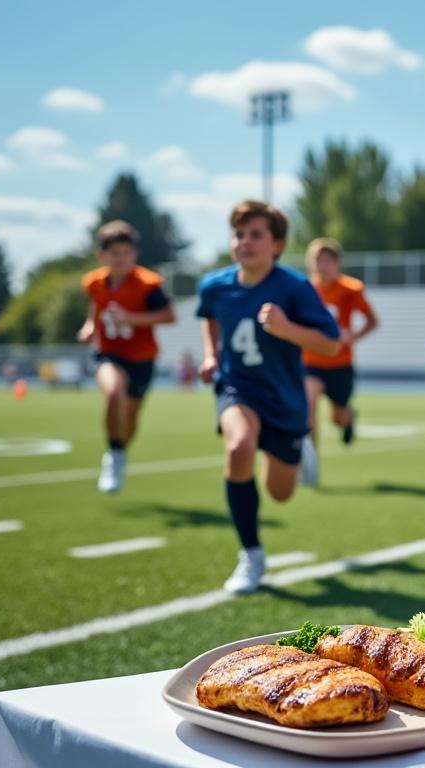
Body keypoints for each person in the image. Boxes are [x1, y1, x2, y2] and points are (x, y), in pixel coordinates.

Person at [197, 200, 340, 594]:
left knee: (281, 492)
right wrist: (211, 355)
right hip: (237, 387)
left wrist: (287, 328)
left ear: (276, 244)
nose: (245, 242)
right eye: (239, 234)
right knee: (239, 447)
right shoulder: (214, 285)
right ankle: (252, 554)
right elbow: (209, 315)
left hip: (283, 400)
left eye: (256, 234)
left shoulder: (294, 287)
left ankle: (298, 448)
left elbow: (331, 344)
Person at [77, 220, 175, 493]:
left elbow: (169, 315)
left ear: (134, 254)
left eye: (126, 253)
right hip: (108, 353)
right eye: (114, 253)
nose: (120, 259)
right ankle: (114, 454)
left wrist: (132, 318)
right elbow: (96, 307)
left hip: (142, 358)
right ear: (102, 255)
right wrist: (89, 327)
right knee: (113, 393)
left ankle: (120, 450)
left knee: (129, 421)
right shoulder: (94, 282)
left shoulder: (148, 284)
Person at [300, 238, 378, 487]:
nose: (322, 265)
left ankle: (348, 418)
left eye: (327, 260)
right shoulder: (304, 289)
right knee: (308, 407)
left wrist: (353, 337)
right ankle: (310, 465)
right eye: (317, 260)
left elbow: (372, 321)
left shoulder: (351, 288)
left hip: (340, 363)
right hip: (311, 361)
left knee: (338, 418)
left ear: (337, 263)